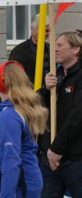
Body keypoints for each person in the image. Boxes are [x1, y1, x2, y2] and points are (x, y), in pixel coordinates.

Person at [40, 30, 82, 198]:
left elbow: (78, 116)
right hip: (51, 157)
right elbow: (39, 106)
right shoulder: (57, 75)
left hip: (78, 158)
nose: (55, 49)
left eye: (60, 45)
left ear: (76, 49)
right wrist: (45, 90)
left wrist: (57, 148)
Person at [0, 60, 48, 197]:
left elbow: (11, 161)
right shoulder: (24, 109)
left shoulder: (9, 116)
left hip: (18, 185)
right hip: (29, 180)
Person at [9, 13, 50, 86]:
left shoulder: (51, 50)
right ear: (32, 29)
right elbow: (13, 77)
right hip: (27, 94)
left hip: (48, 95)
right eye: (41, 29)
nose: (44, 33)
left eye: (47, 31)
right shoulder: (19, 51)